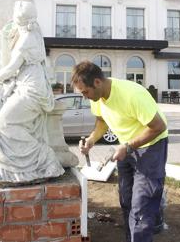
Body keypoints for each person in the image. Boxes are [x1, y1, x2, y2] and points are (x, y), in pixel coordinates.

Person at [72, 61, 168, 242]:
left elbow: (159, 127)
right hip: (127, 147)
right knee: (126, 201)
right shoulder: (97, 98)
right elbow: (102, 121)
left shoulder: (132, 94)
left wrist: (129, 146)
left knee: (142, 206)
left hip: (151, 145)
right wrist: (92, 140)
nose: (85, 96)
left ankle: (149, 224)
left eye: (85, 92)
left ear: (98, 82)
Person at [0, 1, 64, 183]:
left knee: (3, 123)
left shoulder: (26, 40)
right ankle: (28, 158)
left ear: (20, 20)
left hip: (31, 90)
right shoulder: (33, 32)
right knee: (9, 123)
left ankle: (43, 156)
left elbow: (9, 69)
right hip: (29, 85)